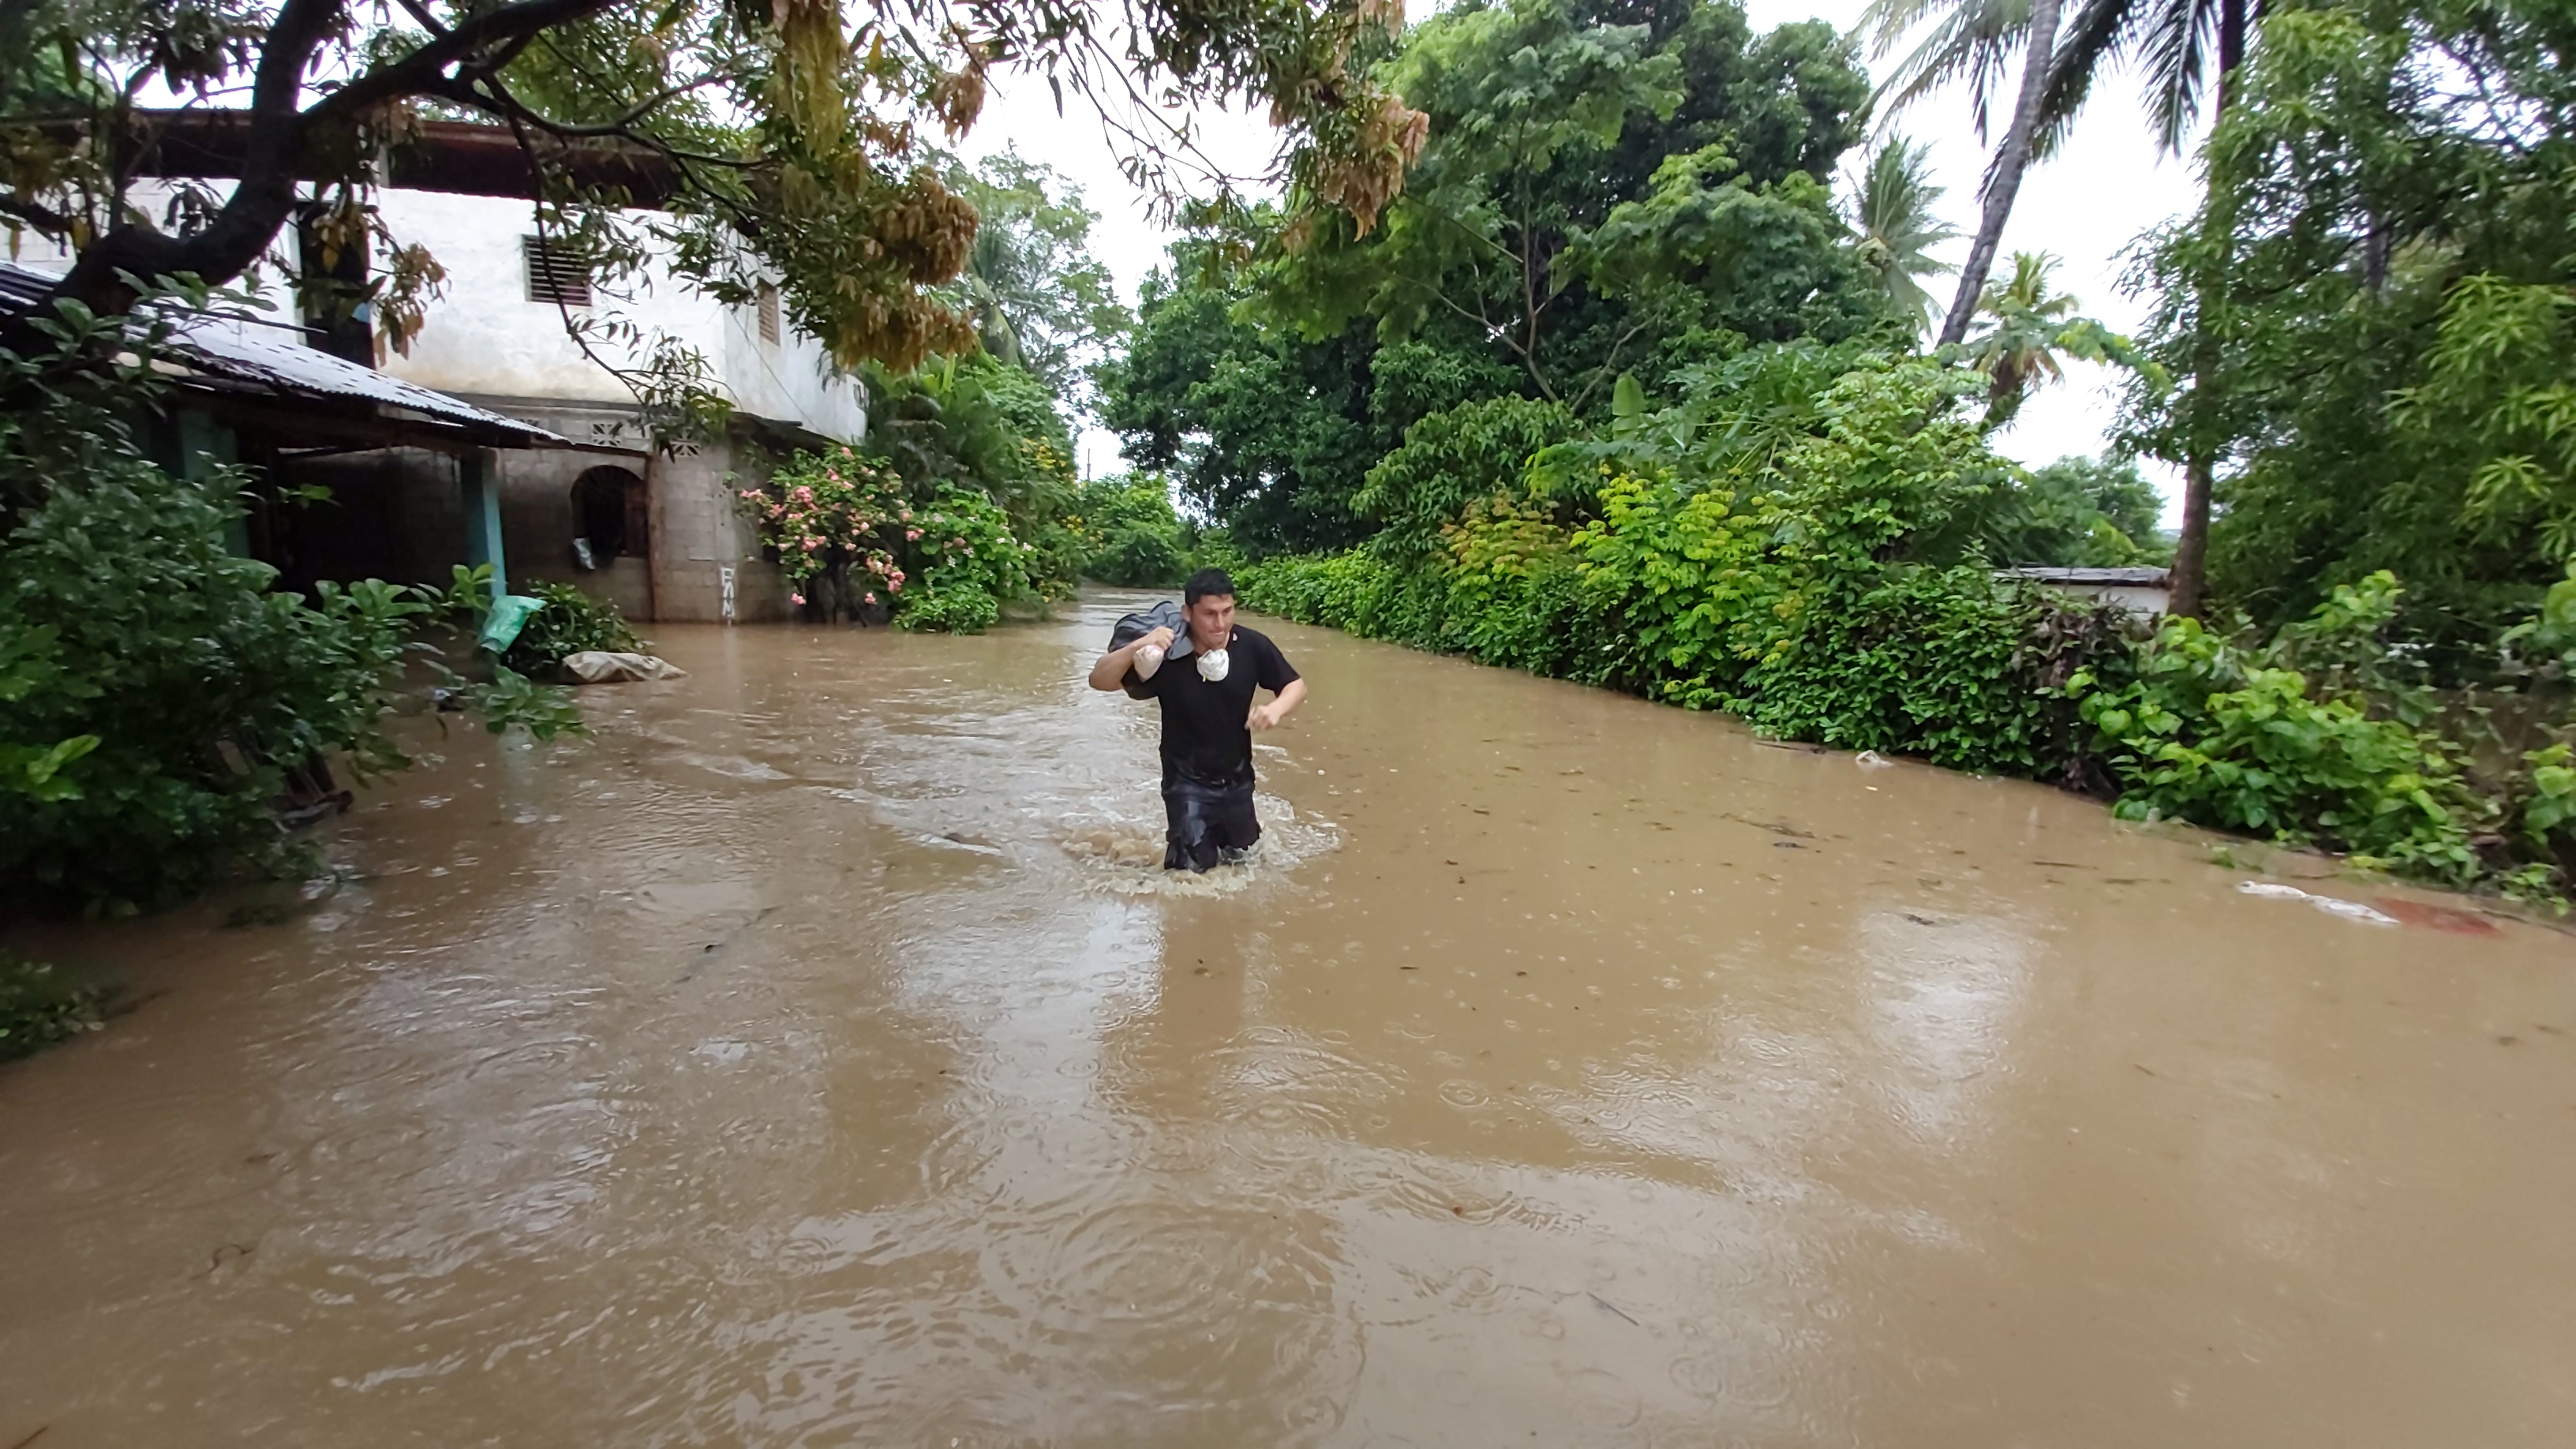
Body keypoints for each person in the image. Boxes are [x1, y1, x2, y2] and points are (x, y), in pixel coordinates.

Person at [1089, 568, 1308, 871]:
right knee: (1189, 875)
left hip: (1238, 783)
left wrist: (1275, 709)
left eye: (1226, 611)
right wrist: (1138, 646)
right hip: (1185, 785)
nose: (1220, 624)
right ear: (1188, 613)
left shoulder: (1251, 645)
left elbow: (1295, 686)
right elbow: (1099, 680)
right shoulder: (1166, 656)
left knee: (1246, 866)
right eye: (1209, 614)